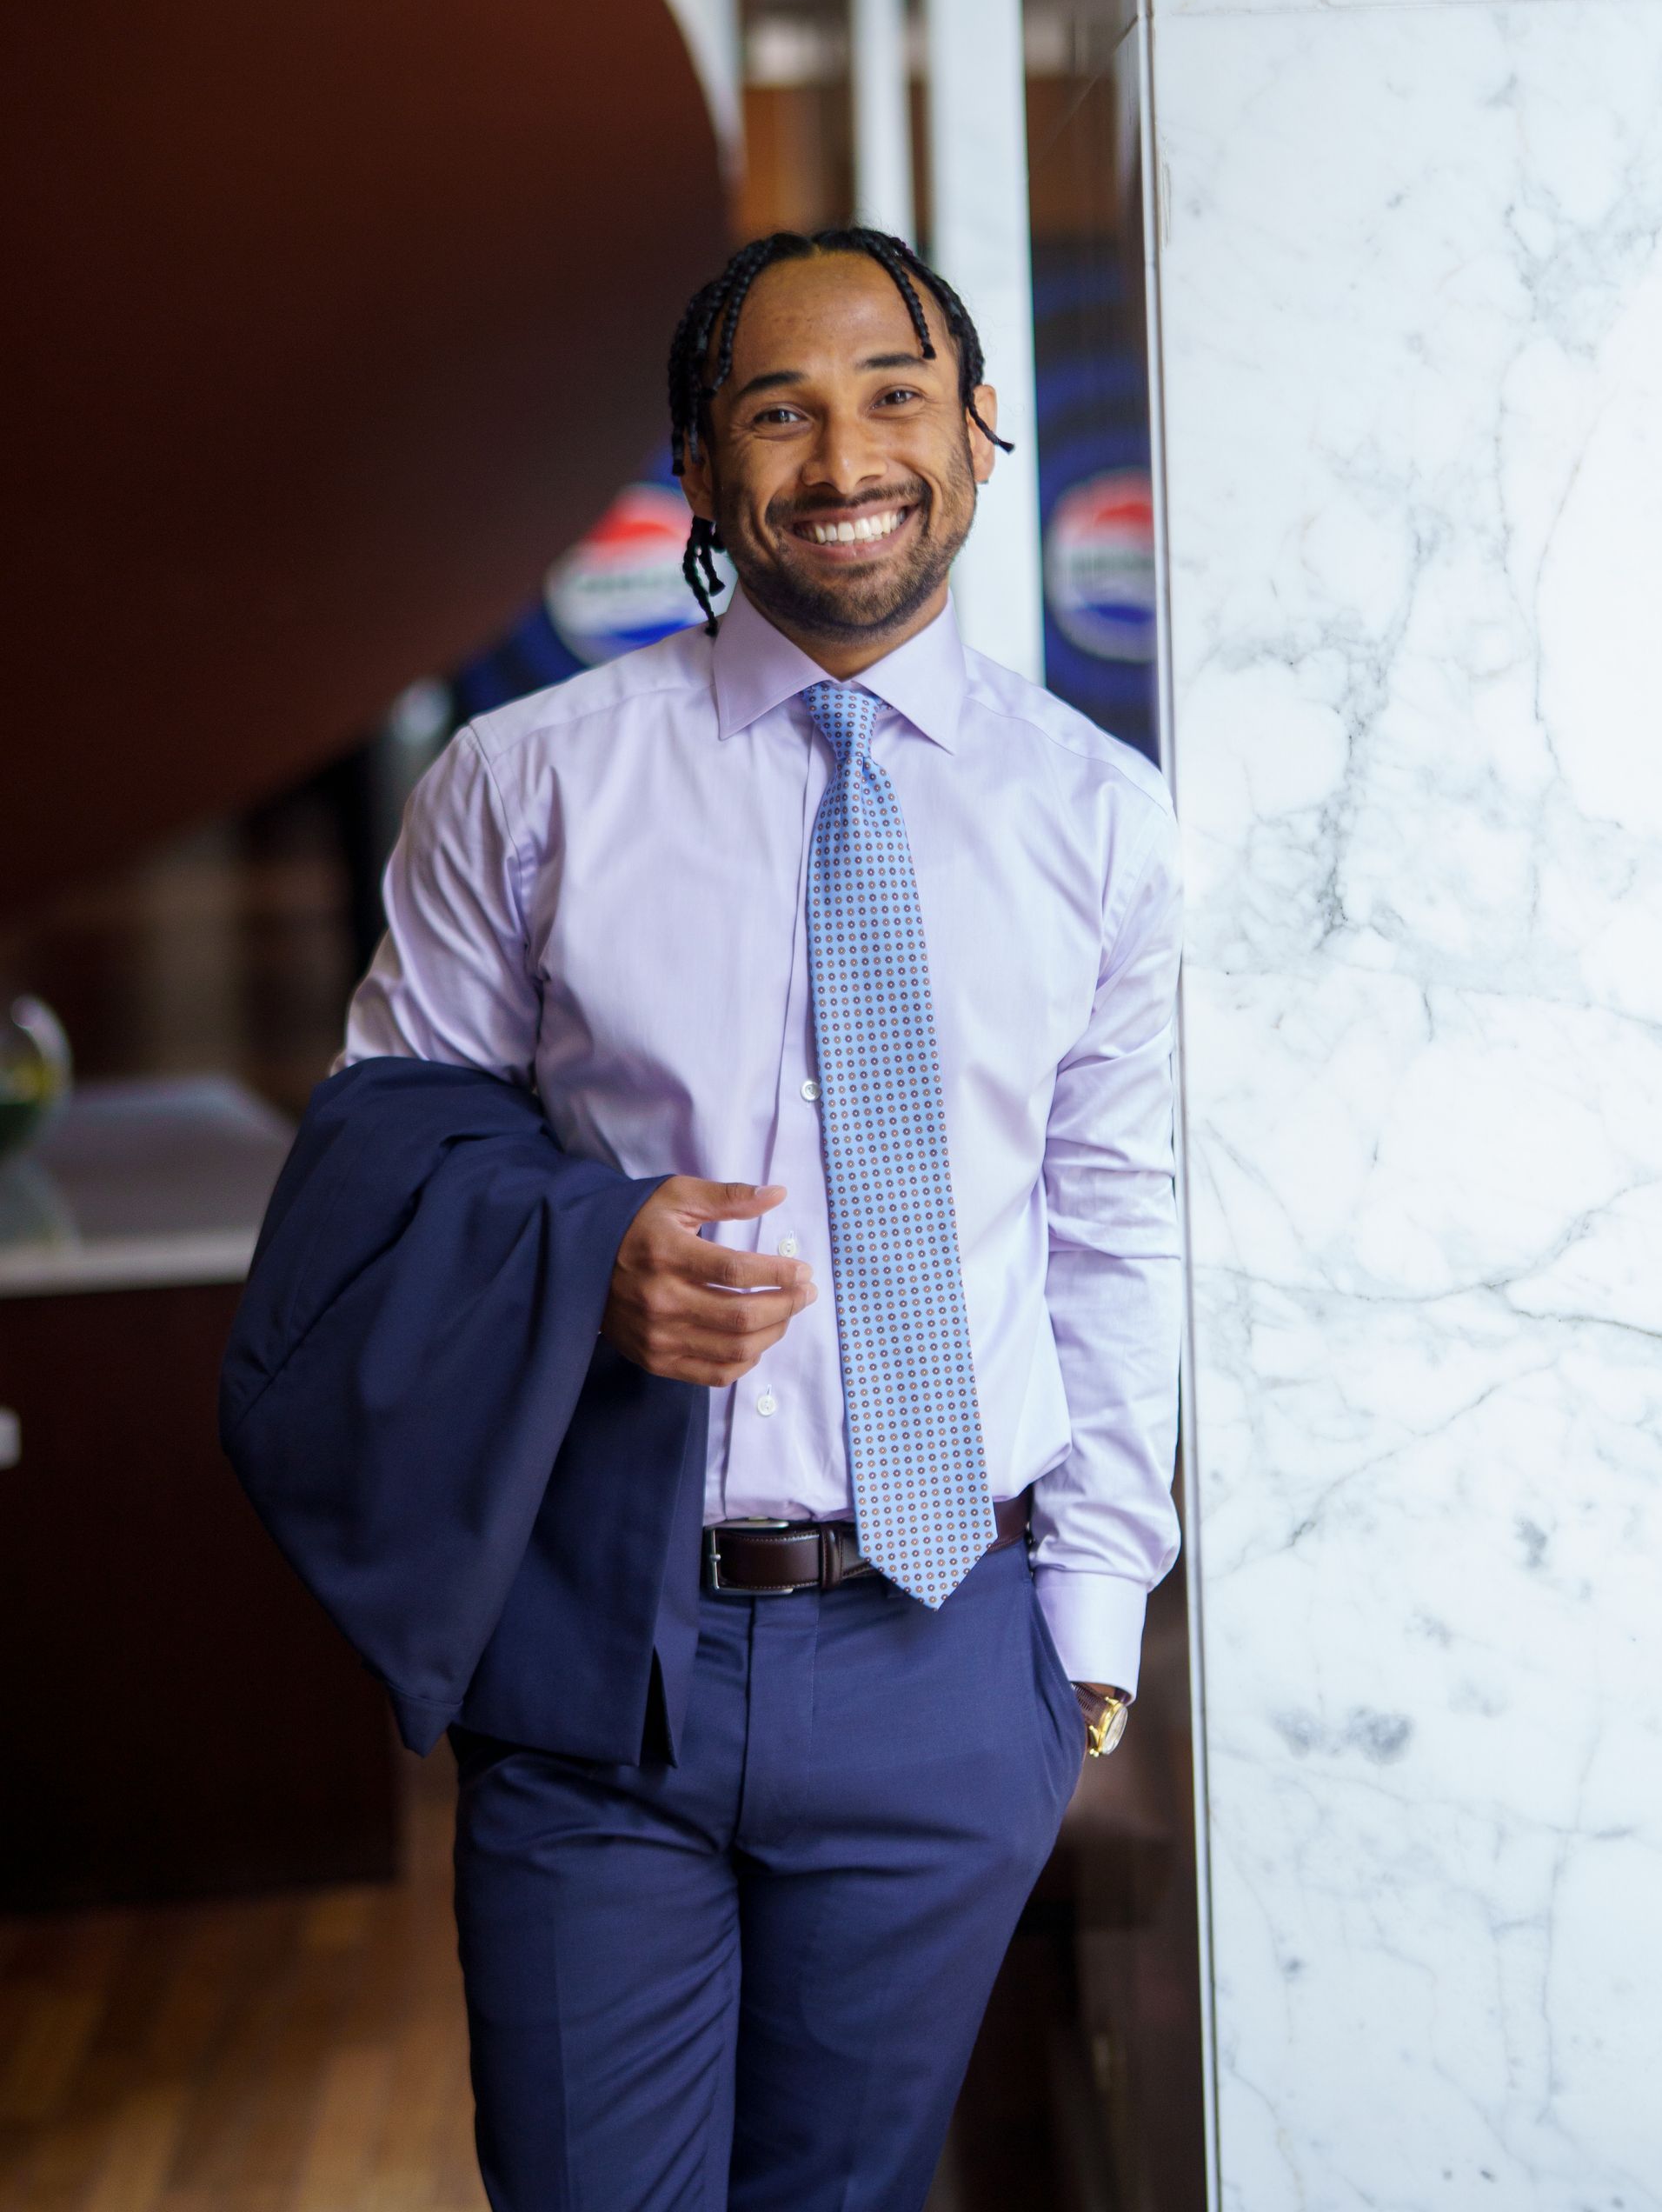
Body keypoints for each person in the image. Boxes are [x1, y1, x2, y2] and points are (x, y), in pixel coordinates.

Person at [338, 225, 1183, 2210]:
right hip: (599, 1655)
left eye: (895, 395)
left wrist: (1086, 1639)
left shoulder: (1096, 818)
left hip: (950, 1649)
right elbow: (380, 1182)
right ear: (703, 476)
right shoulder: (525, 787)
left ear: (980, 435)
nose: (842, 456)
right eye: (776, 412)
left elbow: (1115, 1224)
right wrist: (582, 1256)